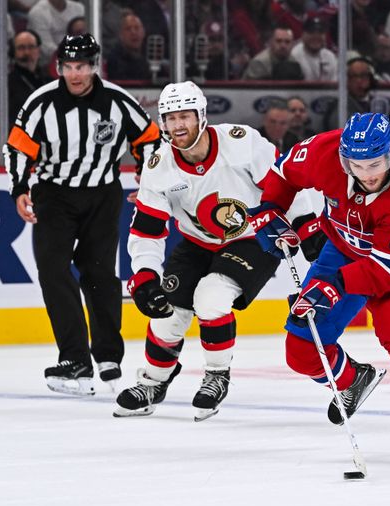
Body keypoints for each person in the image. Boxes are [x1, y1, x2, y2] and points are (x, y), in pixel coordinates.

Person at [247, 113, 390, 466]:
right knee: (301, 348)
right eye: (356, 165)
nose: (368, 173)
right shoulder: (324, 151)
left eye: (376, 163)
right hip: (342, 248)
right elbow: (282, 173)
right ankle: (353, 380)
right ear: (343, 159)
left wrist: (334, 285)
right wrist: (270, 208)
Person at [114, 81, 324, 421]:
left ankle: (216, 375)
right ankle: (153, 382)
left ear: (202, 117)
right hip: (198, 242)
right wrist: (145, 274)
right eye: (170, 118)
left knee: (211, 297)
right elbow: (147, 230)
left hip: (254, 238)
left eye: (185, 116)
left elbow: (285, 181)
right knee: (167, 314)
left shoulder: (241, 144)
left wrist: (305, 225)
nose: (178, 126)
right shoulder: (159, 166)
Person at [3, 34, 162, 396]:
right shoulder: (41, 102)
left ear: (95, 66)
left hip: (102, 195)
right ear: (59, 67)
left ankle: (108, 356)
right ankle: (75, 358)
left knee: (99, 272)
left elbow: (150, 140)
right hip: (54, 195)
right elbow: (17, 147)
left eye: (82, 66)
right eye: (69, 67)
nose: (75, 74)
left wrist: (149, 179)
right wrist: (19, 188)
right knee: (53, 268)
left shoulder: (118, 102)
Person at [7, 30, 51, 126]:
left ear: (38, 51)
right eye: (21, 48)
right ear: (13, 52)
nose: (27, 52)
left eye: (31, 47)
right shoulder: (6, 85)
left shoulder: (50, 82)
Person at [106, 11, 150, 81]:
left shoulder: (150, 55)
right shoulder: (114, 60)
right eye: (128, 29)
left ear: (143, 32)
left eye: (137, 28)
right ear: (120, 35)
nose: (133, 32)